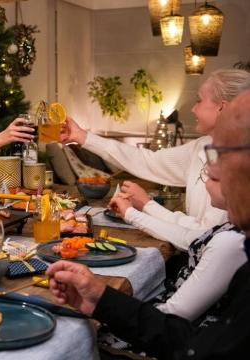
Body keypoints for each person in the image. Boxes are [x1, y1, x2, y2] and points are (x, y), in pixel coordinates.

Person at [46, 89, 250, 359]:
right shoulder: (239, 247)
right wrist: (99, 297)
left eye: (220, 154)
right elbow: (190, 341)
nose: (210, 170)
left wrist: (137, 212)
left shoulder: (233, 243)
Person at [61, 69, 250, 250]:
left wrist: (138, 210)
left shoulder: (240, 164)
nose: (192, 108)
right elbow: (147, 161)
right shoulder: (201, 146)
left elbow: (201, 237)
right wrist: (82, 136)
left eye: (199, 101)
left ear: (222, 107)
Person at [100, 167, 245, 353]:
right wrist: (134, 212)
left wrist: (99, 299)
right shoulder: (233, 229)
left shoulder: (231, 242)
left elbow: (175, 315)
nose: (205, 181)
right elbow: (188, 235)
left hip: (184, 340)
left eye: (213, 177)